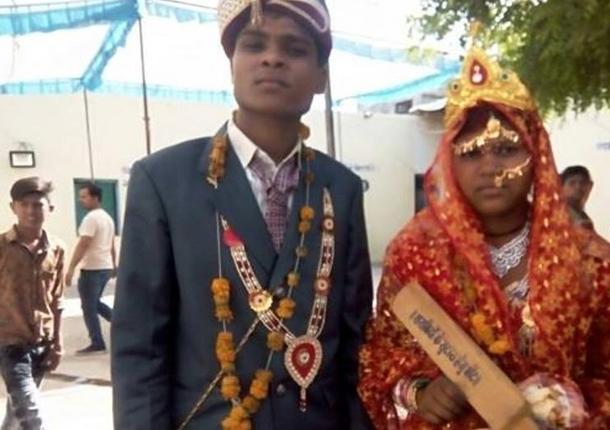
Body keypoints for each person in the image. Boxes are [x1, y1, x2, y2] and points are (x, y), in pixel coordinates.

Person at [358, 35, 610, 429]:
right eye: (471, 153)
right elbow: (382, 355)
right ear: (448, 162)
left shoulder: (595, 266)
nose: (489, 168)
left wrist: (576, 405)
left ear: (537, 156)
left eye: (506, 150)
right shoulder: (415, 254)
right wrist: (418, 392)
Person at [111, 1, 374, 429]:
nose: (273, 58)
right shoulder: (163, 181)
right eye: (254, 45)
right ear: (231, 63)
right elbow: (139, 349)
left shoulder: (339, 189)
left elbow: (354, 342)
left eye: (295, 48)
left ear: (322, 76)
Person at [0, 177, 65, 430]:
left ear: (49, 209)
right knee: (32, 416)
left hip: (41, 344)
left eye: (38, 205)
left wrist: (57, 342)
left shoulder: (57, 249)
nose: (31, 211)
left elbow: (57, 298)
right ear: (12, 207)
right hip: (8, 343)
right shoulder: (2, 247)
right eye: (24, 204)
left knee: (16, 414)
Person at [65, 182, 115, 354]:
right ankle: (123, 325)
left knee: (88, 307)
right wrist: (114, 264)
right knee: (95, 303)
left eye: (84, 197)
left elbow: (83, 243)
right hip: (104, 267)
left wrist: (71, 267)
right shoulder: (107, 217)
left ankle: (97, 342)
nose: (81, 200)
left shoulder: (91, 218)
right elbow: (112, 245)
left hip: (93, 269)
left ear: (95, 198)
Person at [560, 165, 595, 230]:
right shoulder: (557, 213)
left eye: (582, 183)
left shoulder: (584, 217)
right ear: (561, 187)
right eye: (572, 183)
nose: (578, 187)